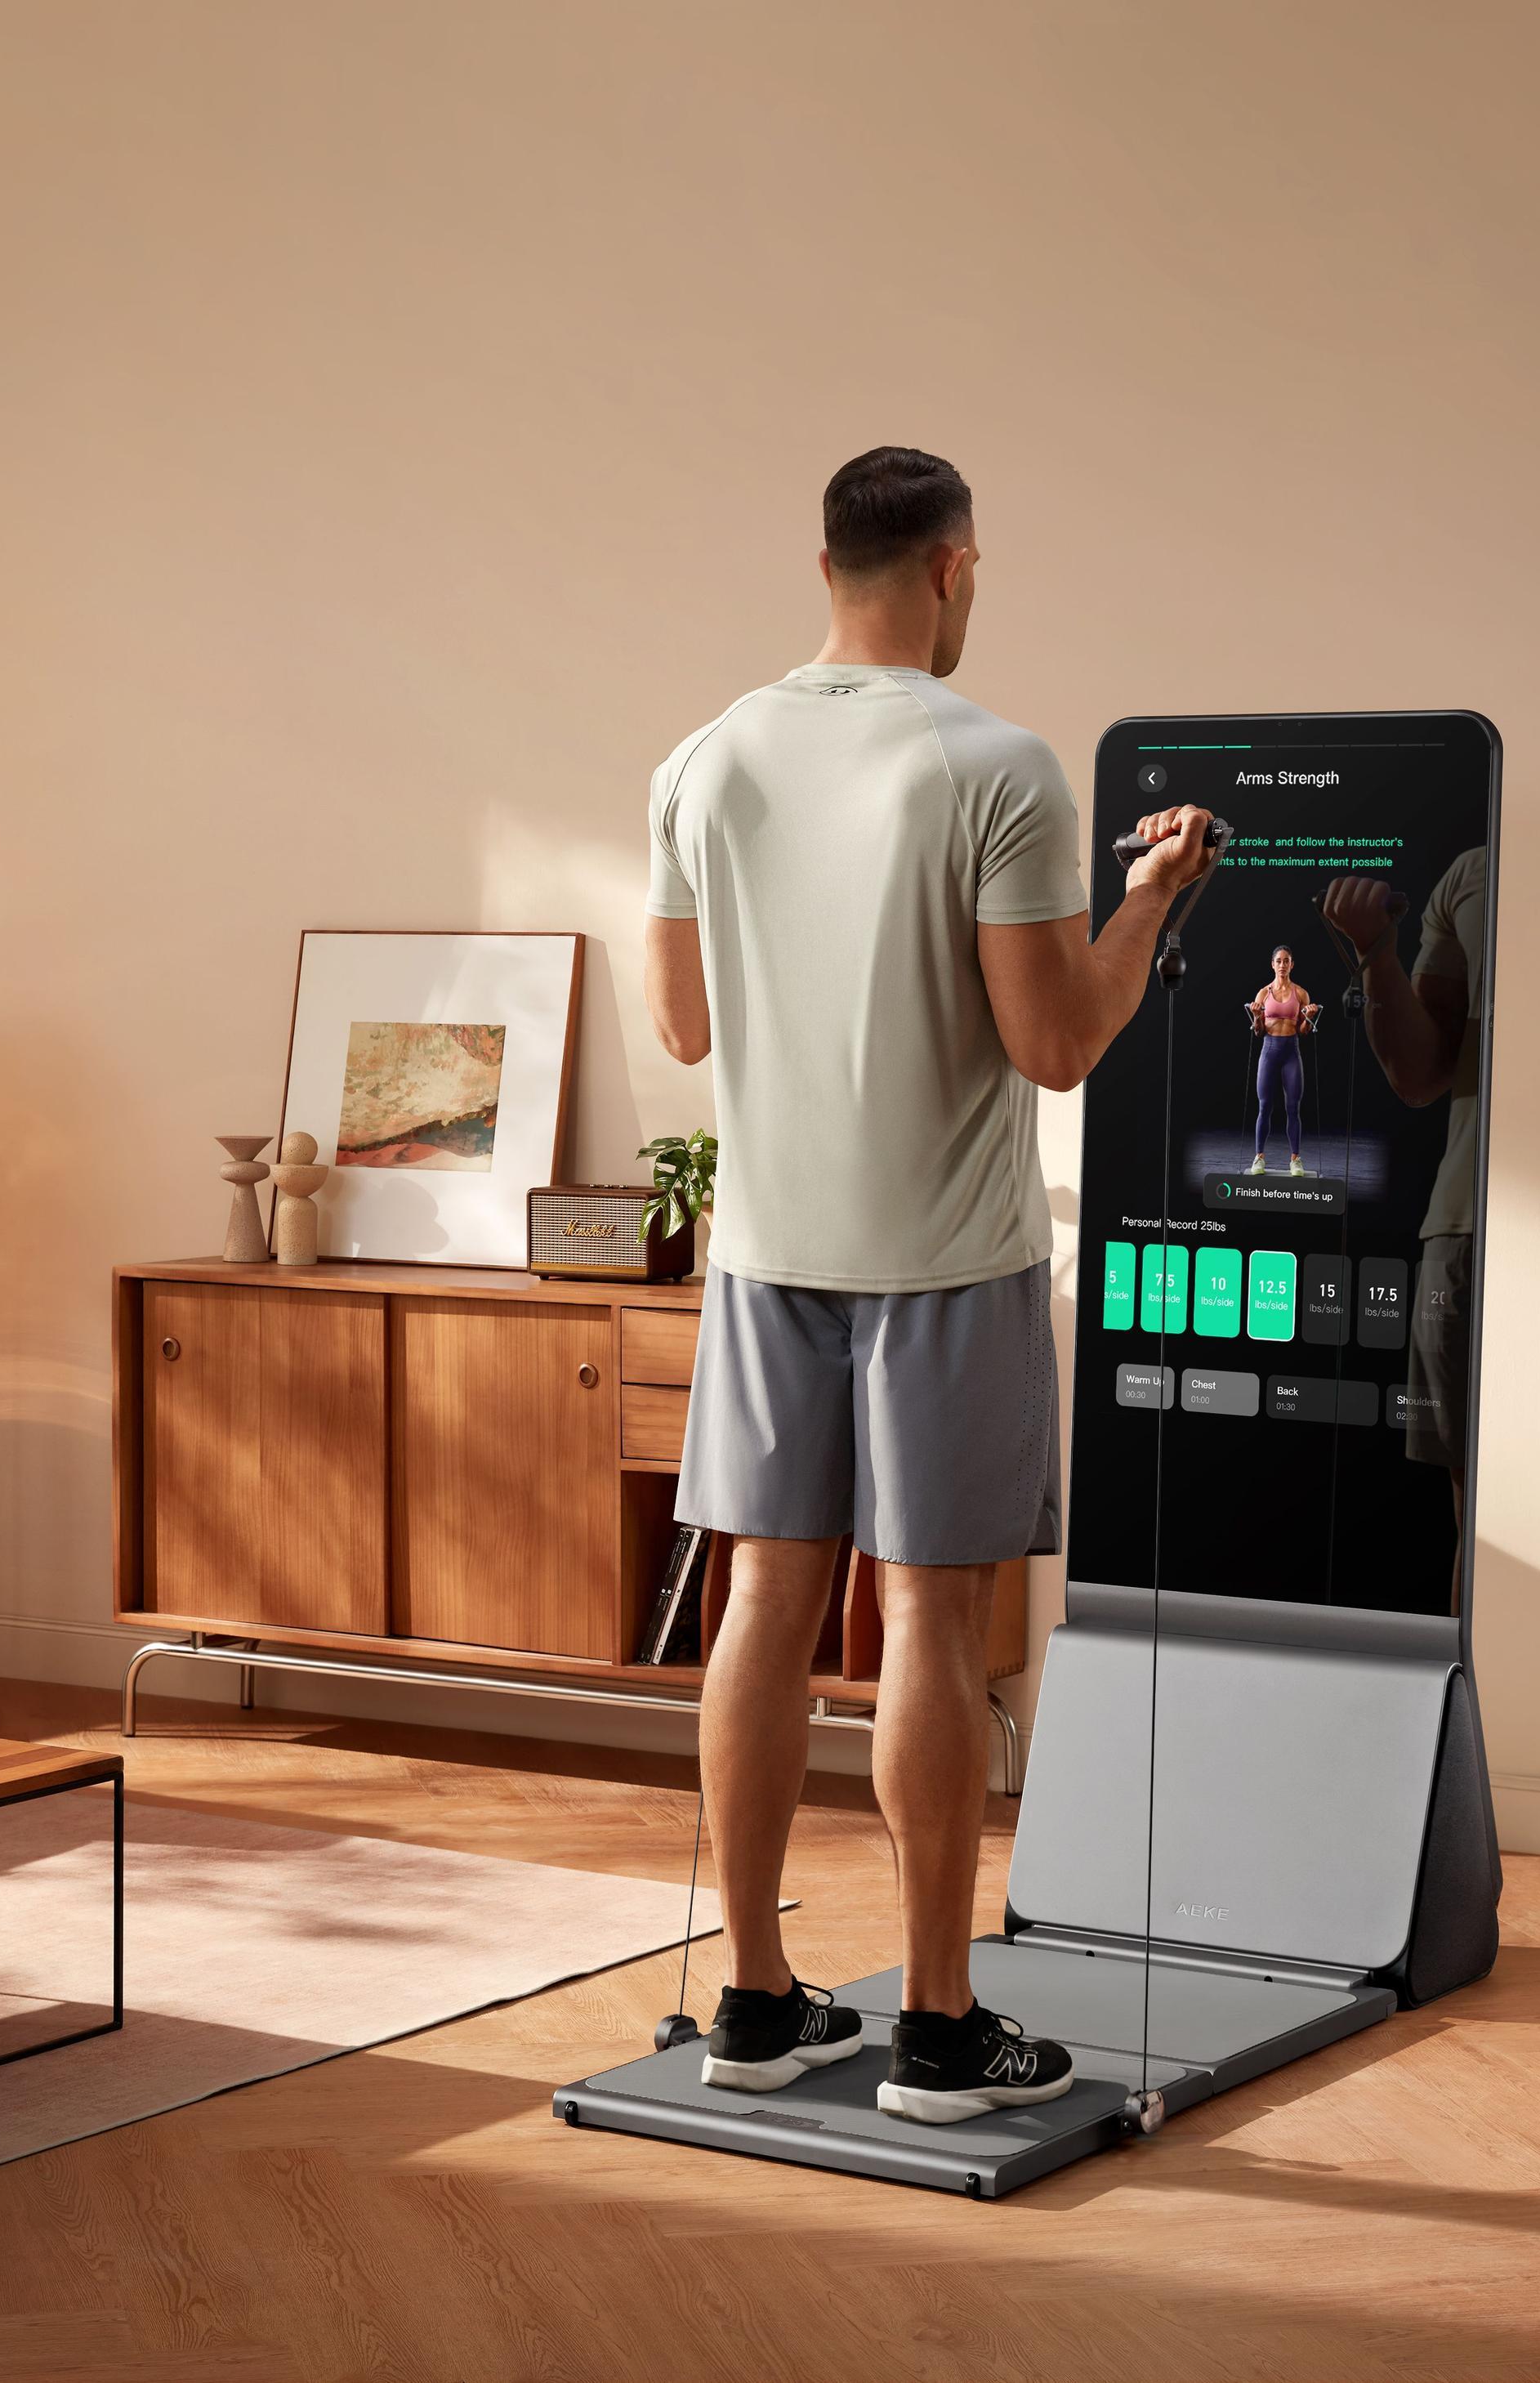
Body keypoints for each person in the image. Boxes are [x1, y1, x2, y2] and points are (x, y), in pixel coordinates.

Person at [641, 446, 1214, 2126]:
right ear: (952, 569)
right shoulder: (995, 764)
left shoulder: (703, 756)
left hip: (764, 1254)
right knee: (933, 1625)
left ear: (829, 564)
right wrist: (1151, 906)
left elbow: (684, 1027)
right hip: (947, 1264)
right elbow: (1056, 1045)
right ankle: (943, 2038)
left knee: (762, 1603)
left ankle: (756, 2001)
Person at [1322, 854, 1486, 1501]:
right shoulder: (1475, 872)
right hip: (1468, 1228)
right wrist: (1376, 950)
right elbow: (1419, 1074)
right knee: (1479, 1525)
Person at [1243, 943, 1324, 1174]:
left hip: (1291, 1052)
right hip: (1269, 1051)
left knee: (1292, 1108)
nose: (1282, 965)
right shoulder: (1263, 993)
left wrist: (1308, 1017)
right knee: (1265, 1106)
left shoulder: (1301, 993)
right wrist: (1258, 1016)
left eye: (1286, 961)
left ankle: (1295, 1159)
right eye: (1278, 961)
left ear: (1292, 964)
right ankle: (1259, 1157)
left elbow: (1303, 1032)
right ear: (1272, 965)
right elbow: (1258, 1032)